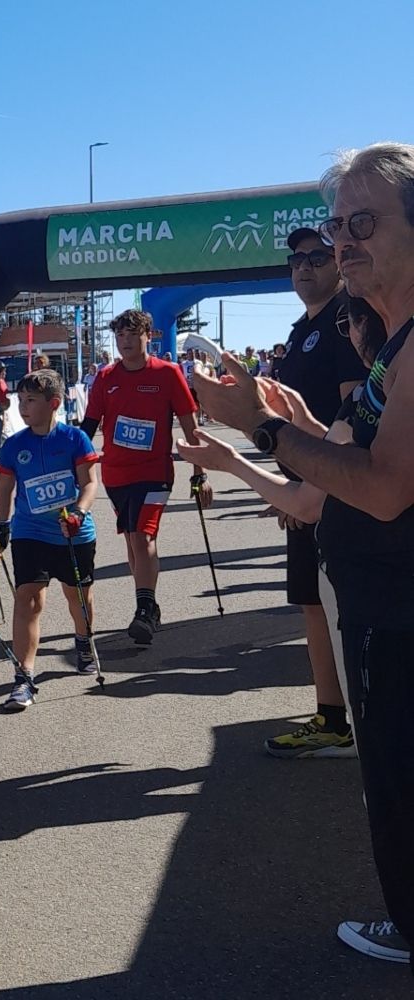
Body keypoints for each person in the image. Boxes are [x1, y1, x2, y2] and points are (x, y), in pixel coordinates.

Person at [186, 143, 414, 970]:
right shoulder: (390, 342)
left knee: (396, 781)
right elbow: (352, 465)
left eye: (362, 225)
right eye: (334, 226)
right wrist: (288, 430)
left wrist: (265, 429)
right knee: (388, 774)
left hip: (397, 611)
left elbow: (385, 487)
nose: (343, 243)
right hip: (378, 601)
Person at [259, 226, 367, 759]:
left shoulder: (349, 320)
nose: (304, 266)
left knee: (331, 604)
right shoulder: (303, 326)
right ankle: (332, 714)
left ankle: (346, 716)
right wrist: (286, 483)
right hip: (306, 485)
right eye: (296, 258)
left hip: (334, 489)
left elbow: (352, 414)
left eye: (317, 257)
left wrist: (307, 482)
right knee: (310, 603)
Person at [79, 308, 211, 645]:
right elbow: (88, 427)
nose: (125, 342)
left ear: (147, 337)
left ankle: (143, 608)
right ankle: (149, 604)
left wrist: (199, 473)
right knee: (131, 539)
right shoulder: (106, 378)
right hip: (117, 474)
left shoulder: (167, 374)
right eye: (120, 336)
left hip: (154, 473)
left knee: (143, 536)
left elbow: (189, 426)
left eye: (131, 335)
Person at [0, 368, 101, 711]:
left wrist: (79, 512)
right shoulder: (15, 445)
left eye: (31, 401)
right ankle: (23, 678)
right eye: (19, 400)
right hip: (30, 532)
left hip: (72, 532)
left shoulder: (74, 439)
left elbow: (90, 483)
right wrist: (4, 526)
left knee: (78, 596)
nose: (23, 407)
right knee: (28, 601)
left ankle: (83, 640)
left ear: (53, 404)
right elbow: (5, 486)